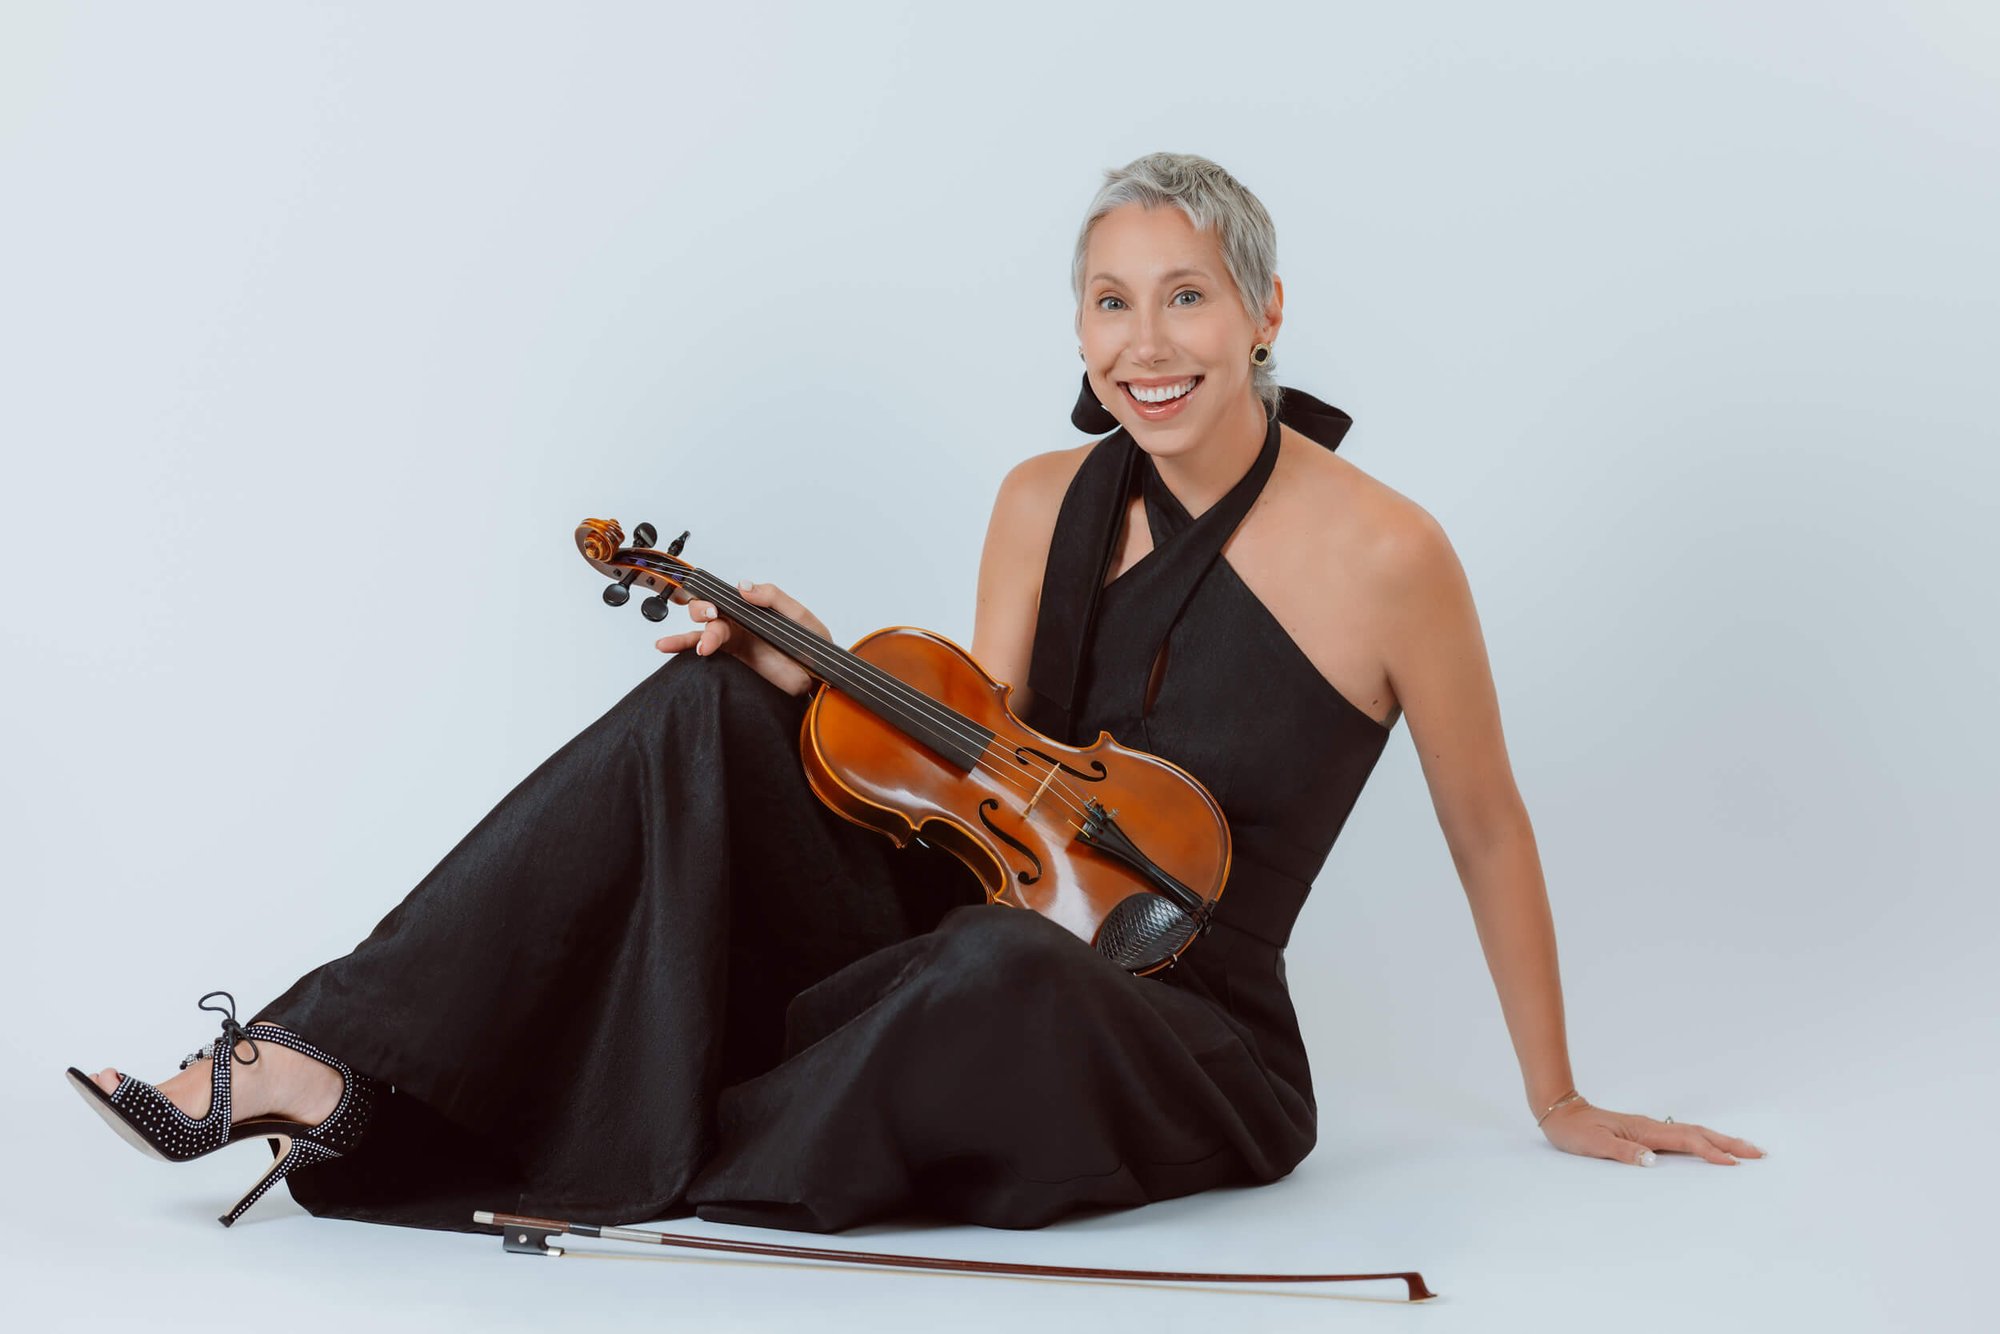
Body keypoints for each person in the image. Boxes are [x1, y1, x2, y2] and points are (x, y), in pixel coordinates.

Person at [68, 151, 1763, 1236]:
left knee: (997, 969)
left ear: (1259, 315)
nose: (1145, 342)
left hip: (1180, 1027)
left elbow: (1484, 818)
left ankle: (617, 1117)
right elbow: (988, 784)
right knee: (705, 713)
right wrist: (810, 666)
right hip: (994, 924)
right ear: (1080, 323)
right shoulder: (1047, 492)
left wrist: (1556, 1093)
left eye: (1185, 297)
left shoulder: (1391, 553)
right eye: (1110, 301)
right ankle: (317, 1057)